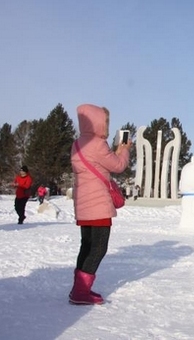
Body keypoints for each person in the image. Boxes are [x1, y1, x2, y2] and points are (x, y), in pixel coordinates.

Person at [69, 104, 132, 305]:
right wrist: (124, 150)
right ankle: (81, 292)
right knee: (99, 247)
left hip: (83, 204)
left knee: (86, 245)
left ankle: (78, 289)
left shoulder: (78, 143)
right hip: (98, 204)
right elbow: (118, 166)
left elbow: (99, 164)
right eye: (105, 121)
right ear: (98, 122)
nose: (106, 125)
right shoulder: (97, 144)